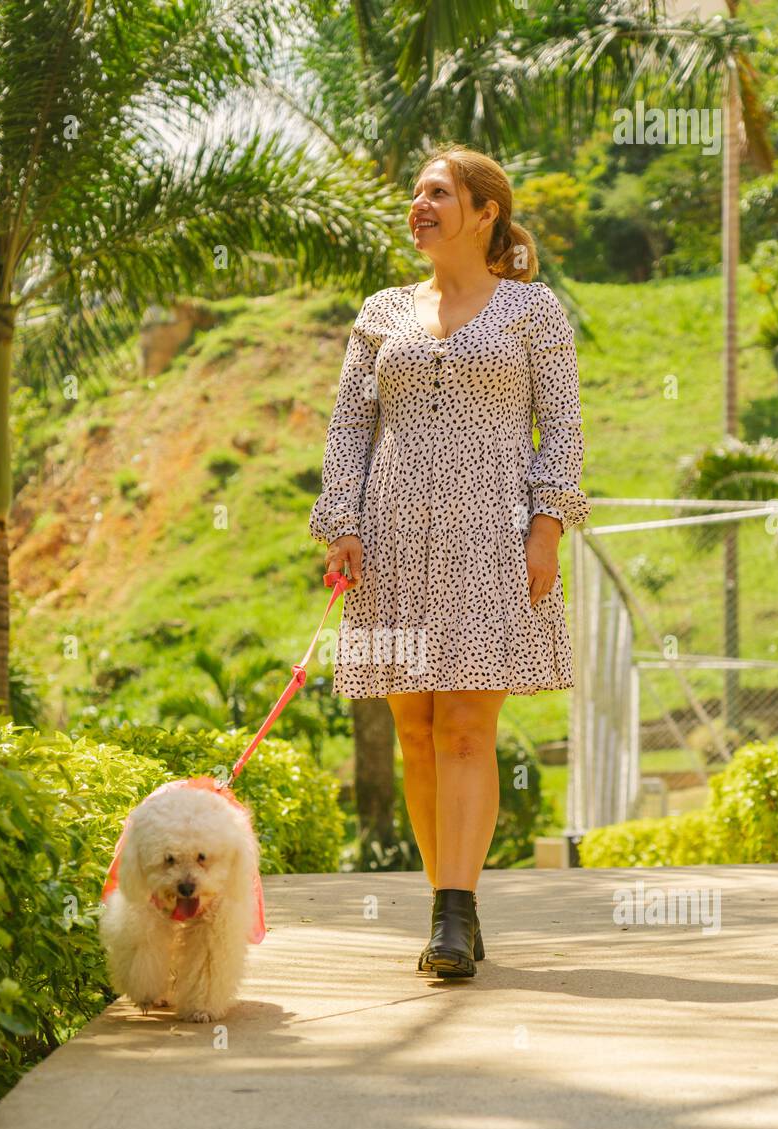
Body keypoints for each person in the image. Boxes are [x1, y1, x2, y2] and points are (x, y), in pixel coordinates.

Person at [309, 143, 591, 980]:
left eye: (438, 193)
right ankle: (444, 902)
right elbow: (350, 428)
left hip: (489, 537)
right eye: (417, 194)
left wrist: (546, 526)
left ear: (485, 212)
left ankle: (456, 916)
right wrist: (342, 523)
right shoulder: (381, 310)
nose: (420, 206)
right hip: (390, 540)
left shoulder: (534, 313)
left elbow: (564, 429)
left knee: (468, 727)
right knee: (416, 731)